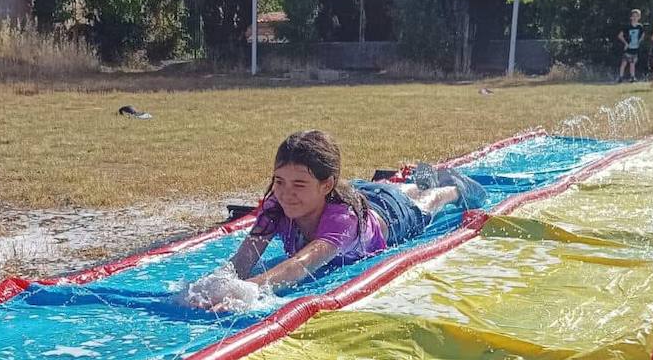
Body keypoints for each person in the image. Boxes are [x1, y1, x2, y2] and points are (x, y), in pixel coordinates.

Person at [193, 131, 485, 306]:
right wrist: (215, 284)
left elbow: (303, 263)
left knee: (425, 205)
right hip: (359, 194)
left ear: (326, 185)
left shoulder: (342, 220)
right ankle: (413, 181)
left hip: (392, 217)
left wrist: (249, 289)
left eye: (299, 184)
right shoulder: (275, 205)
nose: (285, 194)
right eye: (279, 181)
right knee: (385, 190)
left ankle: (449, 188)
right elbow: (244, 258)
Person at [616, 9, 644, 83]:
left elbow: (643, 35)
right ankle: (620, 77)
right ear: (631, 17)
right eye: (633, 16)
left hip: (635, 47)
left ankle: (632, 77)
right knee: (624, 63)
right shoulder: (627, 26)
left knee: (632, 63)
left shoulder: (640, 27)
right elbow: (620, 35)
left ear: (639, 17)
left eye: (636, 16)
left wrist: (639, 42)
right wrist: (625, 43)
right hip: (628, 47)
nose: (635, 18)